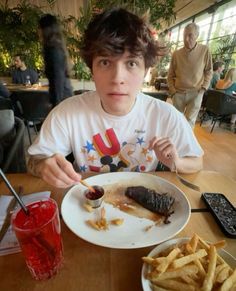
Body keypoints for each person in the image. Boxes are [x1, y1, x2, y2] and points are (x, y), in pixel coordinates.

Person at [27, 8, 203, 189]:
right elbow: (34, 159)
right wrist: (42, 166)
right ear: (92, 69)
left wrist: (176, 162)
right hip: (87, 206)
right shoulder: (67, 112)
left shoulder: (165, 115)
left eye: (131, 63)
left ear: (146, 71)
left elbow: (197, 162)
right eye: (105, 62)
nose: (118, 78)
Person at [167, 23, 212, 128]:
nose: (186, 39)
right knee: (176, 122)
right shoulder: (176, 54)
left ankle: (185, 144)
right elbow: (170, 75)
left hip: (195, 93)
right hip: (178, 93)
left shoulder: (204, 50)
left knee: (189, 123)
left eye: (190, 35)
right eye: (184, 35)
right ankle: (175, 143)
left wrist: (203, 89)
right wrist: (173, 91)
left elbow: (209, 71)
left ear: (197, 36)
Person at [38, 14, 73, 106]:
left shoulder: (54, 50)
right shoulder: (56, 46)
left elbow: (58, 77)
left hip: (62, 98)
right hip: (63, 96)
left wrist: (57, 104)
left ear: (45, 30)